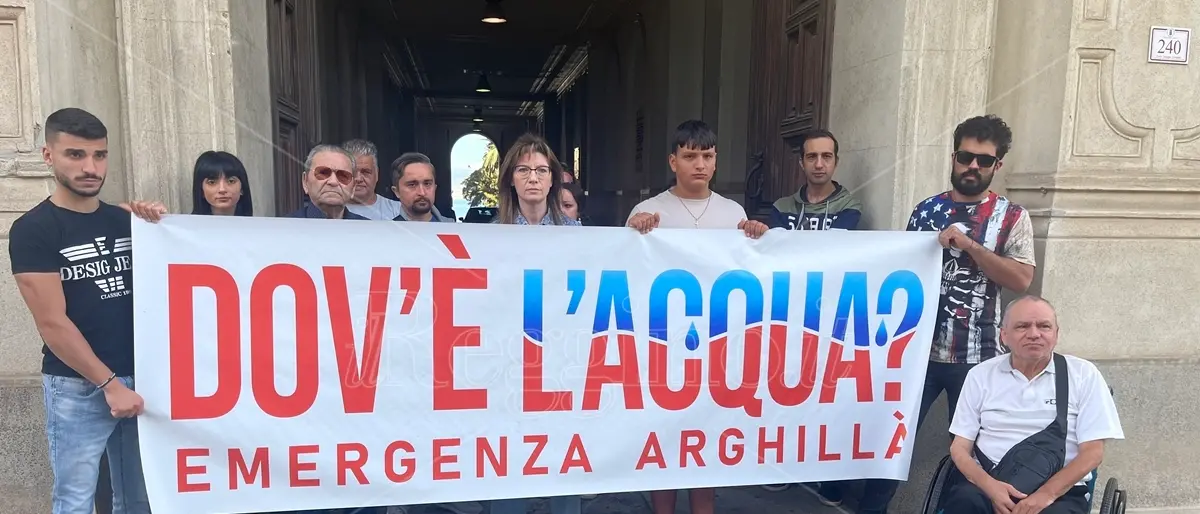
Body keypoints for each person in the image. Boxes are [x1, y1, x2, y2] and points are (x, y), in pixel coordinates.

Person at [859, 114, 1037, 514]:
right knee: (889, 443)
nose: (973, 166)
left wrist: (972, 246)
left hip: (979, 358)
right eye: (965, 156)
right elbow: (898, 274)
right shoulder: (925, 211)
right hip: (915, 355)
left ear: (997, 166)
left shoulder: (1011, 217)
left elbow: (1022, 278)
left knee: (979, 453)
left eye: (984, 160)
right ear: (953, 156)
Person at [9, 107, 151, 514]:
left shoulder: (126, 221)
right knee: (75, 500)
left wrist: (157, 221)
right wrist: (110, 385)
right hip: (78, 386)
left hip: (143, 378)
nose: (91, 167)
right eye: (76, 155)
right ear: (48, 156)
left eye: (100, 155)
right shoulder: (33, 229)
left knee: (140, 498)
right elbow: (52, 322)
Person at [626, 120, 766, 514]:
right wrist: (632, 231)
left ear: (716, 160)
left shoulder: (733, 212)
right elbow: (626, 270)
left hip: (716, 349)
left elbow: (749, 270)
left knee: (704, 444)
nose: (699, 164)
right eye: (689, 156)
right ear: (674, 161)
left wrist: (754, 236)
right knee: (665, 443)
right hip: (663, 348)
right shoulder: (647, 210)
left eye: (706, 156)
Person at [943, 295, 1123, 514]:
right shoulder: (980, 375)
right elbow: (960, 448)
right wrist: (991, 488)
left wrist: (1045, 496)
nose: (1034, 334)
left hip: (1058, 492)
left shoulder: (1083, 374)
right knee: (963, 502)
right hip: (987, 485)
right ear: (1004, 335)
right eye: (1022, 326)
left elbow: (1093, 453)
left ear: (1056, 334)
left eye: (1044, 326)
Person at [767, 128, 862, 231]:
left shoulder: (848, 206)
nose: (819, 165)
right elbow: (777, 245)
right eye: (811, 156)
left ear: (836, 162)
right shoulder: (781, 208)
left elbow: (834, 245)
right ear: (802, 163)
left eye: (826, 156)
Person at [289, 144, 370, 220]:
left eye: (343, 175)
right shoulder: (284, 229)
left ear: (353, 188)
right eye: (323, 173)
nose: (333, 182)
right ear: (305, 181)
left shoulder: (369, 230)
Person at [389, 152, 456, 222]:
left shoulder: (452, 229)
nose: (422, 192)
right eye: (412, 185)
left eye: (427, 184)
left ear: (435, 188)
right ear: (396, 191)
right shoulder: (387, 232)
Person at [190, 150, 254, 216]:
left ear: (242, 188)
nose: (222, 189)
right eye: (212, 182)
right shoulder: (186, 225)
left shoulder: (257, 225)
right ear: (201, 190)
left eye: (231, 181)